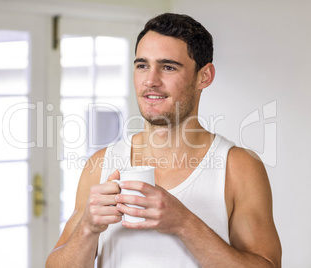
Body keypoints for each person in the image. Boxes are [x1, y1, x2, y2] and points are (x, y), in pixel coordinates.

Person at [46, 13, 282, 268]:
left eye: (168, 67)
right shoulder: (101, 164)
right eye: (142, 65)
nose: (150, 80)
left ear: (204, 76)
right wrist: (88, 228)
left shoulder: (238, 167)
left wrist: (183, 223)